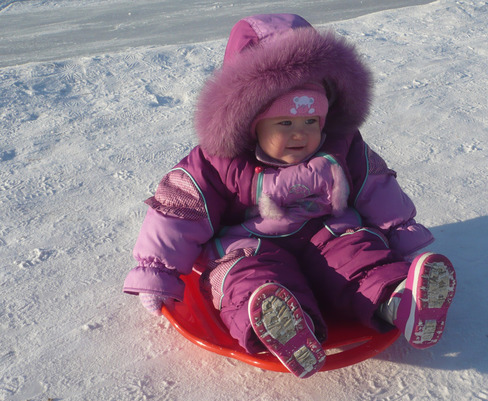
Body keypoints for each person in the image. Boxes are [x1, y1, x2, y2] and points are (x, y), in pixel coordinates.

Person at [123, 13, 456, 378]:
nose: (300, 134)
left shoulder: (341, 146)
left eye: (311, 121)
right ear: (250, 121)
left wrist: (401, 233)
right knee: (245, 278)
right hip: (251, 244)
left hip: (328, 234)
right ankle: (284, 326)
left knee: (359, 255)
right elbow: (179, 211)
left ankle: (399, 301)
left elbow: (376, 185)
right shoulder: (217, 162)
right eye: (285, 123)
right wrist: (155, 272)